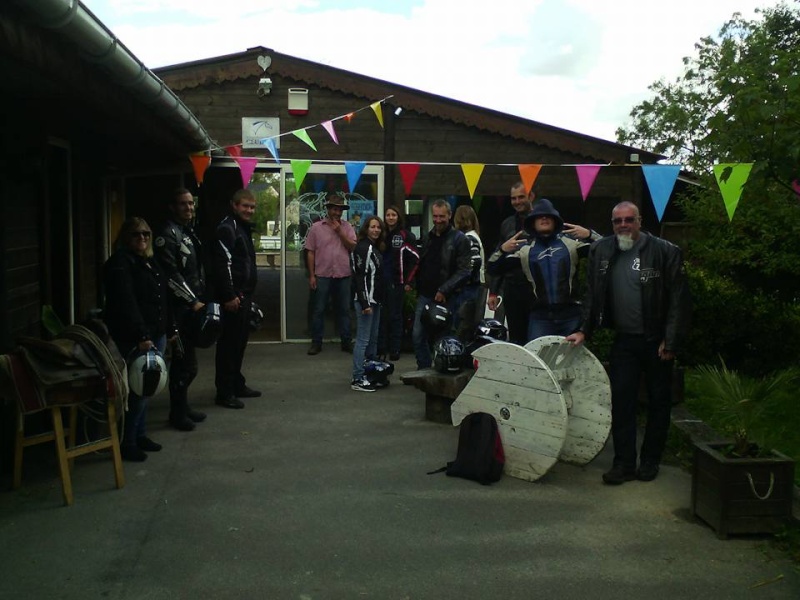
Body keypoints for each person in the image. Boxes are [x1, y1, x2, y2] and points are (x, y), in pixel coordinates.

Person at [566, 201, 691, 485]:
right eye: (617, 221)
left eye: (628, 220)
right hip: (624, 341)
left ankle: (649, 461)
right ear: (612, 224)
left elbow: (679, 302)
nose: (623, 225)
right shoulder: (602, 250)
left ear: (639, 221)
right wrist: (584, 330)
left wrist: (670, 341)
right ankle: (623, 463)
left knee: (659, 403)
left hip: (656, 341)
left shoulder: (665, 252)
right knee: (621, 402)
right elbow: (592, 296)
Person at [103, 217, 172, 462]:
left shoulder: (148, 261)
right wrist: (142, 335)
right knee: (138, 389)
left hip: (156, 333)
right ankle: (128, 441)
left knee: (147, 388)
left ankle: (140, 434)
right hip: (137, 337)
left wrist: (168, 328)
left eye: (146, 234)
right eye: (136, 234)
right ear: (125, 237)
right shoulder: (120, 264)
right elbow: (126, 302)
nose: (142, 238)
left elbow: (161, 295)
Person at [488, 198, 599, 341]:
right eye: (539, 216)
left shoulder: (571, 245)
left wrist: (590, 234)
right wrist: (502, 249)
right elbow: (492, 267)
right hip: (540, 318)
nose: (544, 218)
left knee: (571, 362)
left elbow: (607, 249)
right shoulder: (525, 251)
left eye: (548, 216)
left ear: (555, 220)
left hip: (571, 315)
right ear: (532, 222)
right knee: (537, 361)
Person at [153, 188, 208, 431]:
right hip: (178, 311)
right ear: (173, 207)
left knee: (189, 364)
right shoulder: (167, 234)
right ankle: (177, 413)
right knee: (183, 364)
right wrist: (192, 300)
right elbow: (170, 275)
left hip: (190, 310)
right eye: (183, 204)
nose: (189, 208)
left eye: (191, 203)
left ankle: (182, 407)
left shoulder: (186, 232)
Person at [211, 189, 260, 410]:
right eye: (245, 206)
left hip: (244, 296)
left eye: (252, 207)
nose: (249, 210)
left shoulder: (242, 228)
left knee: (239, 344)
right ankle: (225, 392)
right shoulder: (226, 228)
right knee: (229, 346)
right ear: (234, 205)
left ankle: (236, 384)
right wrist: (229, 295)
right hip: (233, 299)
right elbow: (222, 264)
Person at [411, 199, 472, 369]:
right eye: (435, 216)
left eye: (441, 216)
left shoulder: (460, 239)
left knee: (443, 338)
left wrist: (444, 290)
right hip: (425, 295)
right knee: (417, 335)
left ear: (450, 215)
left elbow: (465, 271)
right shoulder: (428, 237)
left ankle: (440, 369)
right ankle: (424, 369)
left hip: (447, 297)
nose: (438, 220)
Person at [305, 194, 357, 356]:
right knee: (319, 309)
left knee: (344, 310)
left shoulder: (347, 227)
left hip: (343, 274)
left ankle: (346, 342)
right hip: (323, 275)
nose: (337, 212)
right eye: (334, 209)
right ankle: (316, 343)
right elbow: (310, 252)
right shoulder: (316, 228)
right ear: (328, 209)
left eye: (340, 210)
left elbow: (353, 247)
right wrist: (312, 275)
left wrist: (340, 232)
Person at [487, 181, 535, 344]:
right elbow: (498, 259)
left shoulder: (542, 221)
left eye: (521, 197)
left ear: (531, 196)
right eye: (513, 198)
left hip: (536, 289)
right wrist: (493, 292)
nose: (517, 202)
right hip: (512, 288)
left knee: (536, 336)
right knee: (516, 338)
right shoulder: (506, 224)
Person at [378, 205, 419, 361]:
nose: (390, 217)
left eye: (393, 215)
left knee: (395, 316)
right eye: (388, 214)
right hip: (381, 282)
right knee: (381, 316)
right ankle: (381, 348)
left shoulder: (405, 235)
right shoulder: (381, 235)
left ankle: (395, 349)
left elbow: (415, 259)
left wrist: (409, 281)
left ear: (398, 217)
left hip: (398, 282)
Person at [350, 216, 386, 392]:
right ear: (366, 228)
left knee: (372, 339)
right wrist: (365, 303)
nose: (376, 230)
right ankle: (357, 378)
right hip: (366, 301)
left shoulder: (375, 247)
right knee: (363, 340)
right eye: (373, 227)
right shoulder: (364, 247)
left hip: (375, 301)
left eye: (378, 227)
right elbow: (360, 277)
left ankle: (370, 373)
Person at [452, 205, 485, 342]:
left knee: (462, 327)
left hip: (468, 288)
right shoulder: (472, 237)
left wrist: (458, 283)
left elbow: (473, 264)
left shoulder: (468, 239)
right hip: (472, 288)